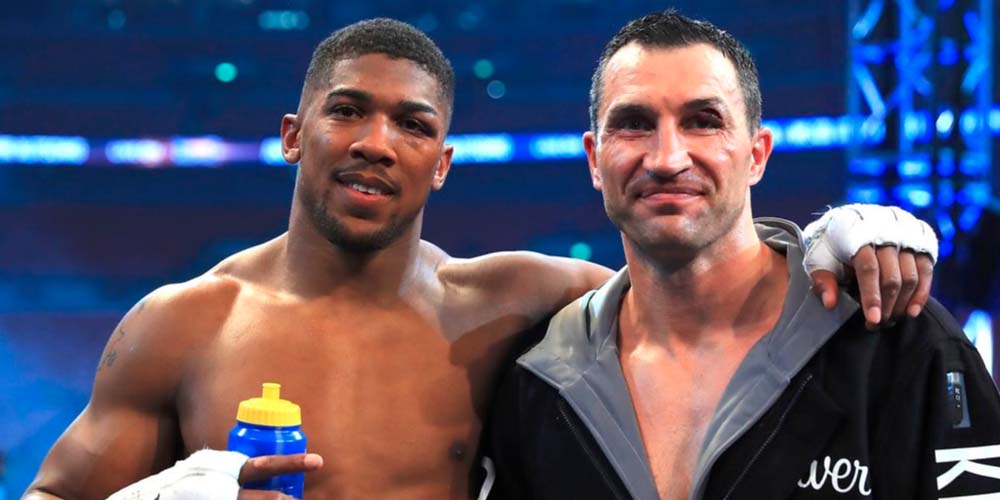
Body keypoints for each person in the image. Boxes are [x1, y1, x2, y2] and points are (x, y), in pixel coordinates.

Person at [23, 18, 937, 500]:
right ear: (295, 134)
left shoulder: (510, 303)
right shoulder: (185, 324)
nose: (376, 142)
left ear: (443, 162)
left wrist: (840, 237)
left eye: (413, 124)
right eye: (348, 111)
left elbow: (695, 283)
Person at [484, 11, 1000, 500]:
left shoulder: (899, 341)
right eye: (635, 123)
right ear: (595, 160)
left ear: (757, 154)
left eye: (703, 121)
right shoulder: (538, 381)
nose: (667, 159)